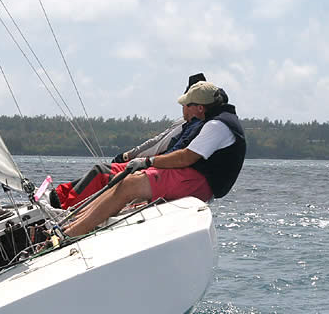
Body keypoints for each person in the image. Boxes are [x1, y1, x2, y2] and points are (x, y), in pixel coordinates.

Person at [64, 80, 246, 237]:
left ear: (200, 107)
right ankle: (72, 224)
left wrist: (148, 161)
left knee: (130, 185)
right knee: (123, 179)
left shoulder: (217, 125)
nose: (184, 108)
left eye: (187, 104)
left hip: (200, 182)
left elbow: (186, 157)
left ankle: (72, 233)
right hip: (192, 174)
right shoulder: (217, 120)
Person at [51, 73, 208, 210]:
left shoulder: (191, 125)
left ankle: (65, 207)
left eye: (185, 104)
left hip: (156, 168)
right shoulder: (192, 124)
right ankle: (60, 196)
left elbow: (157, 144)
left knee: (102, 172)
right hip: (156, 166)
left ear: (196, 106)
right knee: (101, 171)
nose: (182, 107)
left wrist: (130, 157)